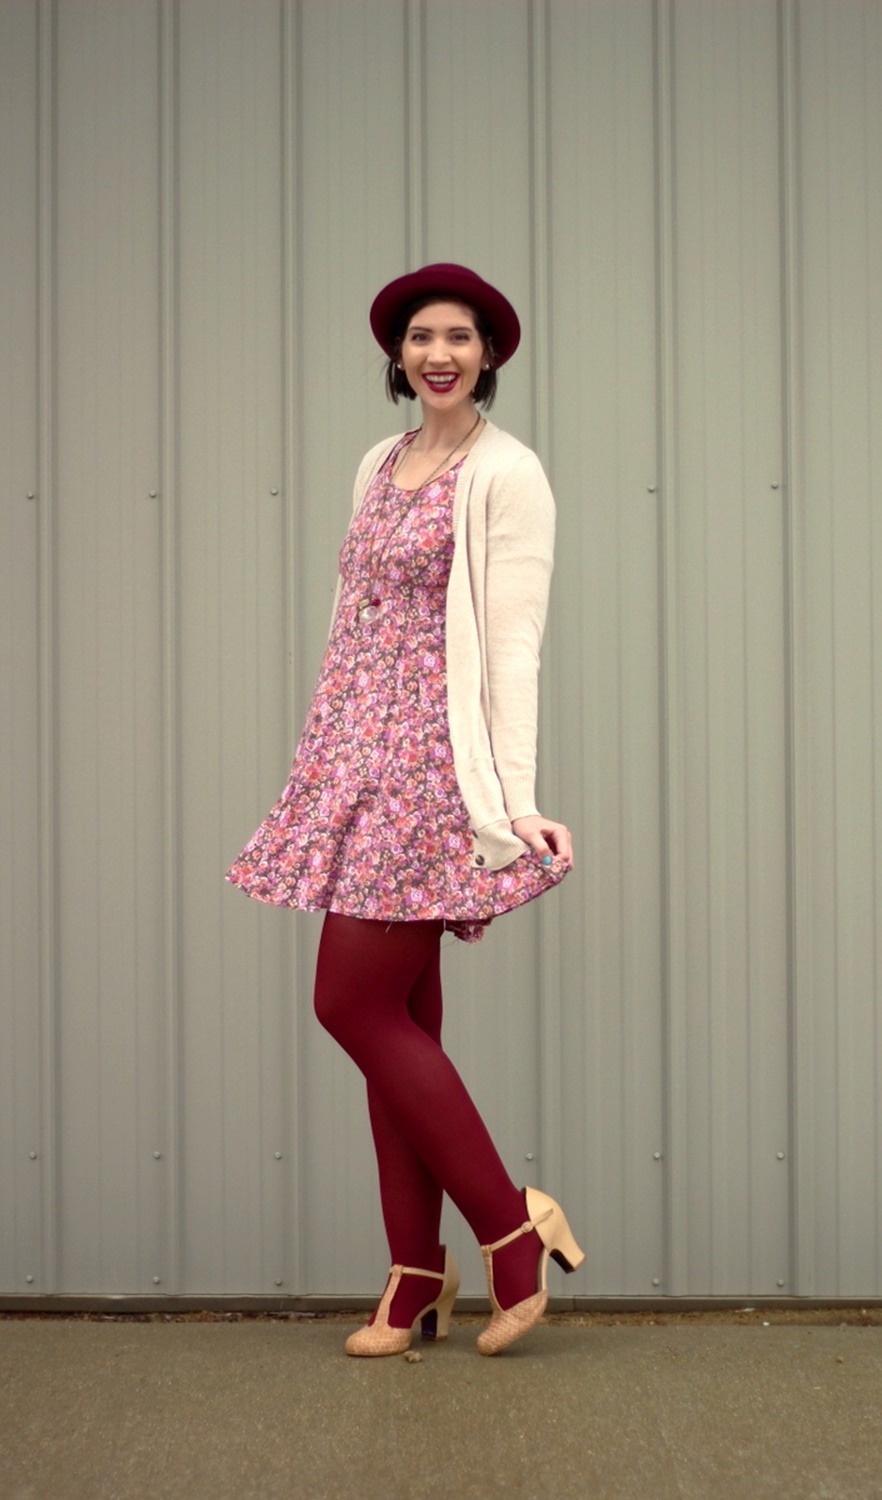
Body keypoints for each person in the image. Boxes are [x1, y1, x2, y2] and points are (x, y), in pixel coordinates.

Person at [226, 263, 583, 1357]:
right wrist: (325, 753)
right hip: (355, 758)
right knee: (401, 1032)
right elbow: (356, 621)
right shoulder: (377, 464)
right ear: (398, 354)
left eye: (460, 337)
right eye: (422, 335)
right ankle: (412, 1277)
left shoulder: (507, 475)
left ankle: (510, 1229)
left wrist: (515, 801)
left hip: (431, 771)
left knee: (353, 1007)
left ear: (489, 356)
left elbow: (512, 647)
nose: (439, 353)